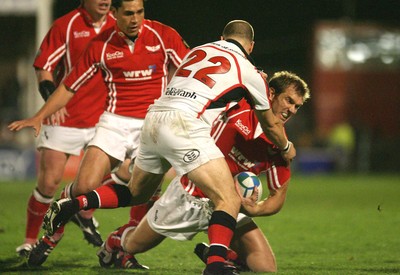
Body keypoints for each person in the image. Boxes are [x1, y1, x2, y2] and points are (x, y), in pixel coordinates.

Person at [42, 20, 296, 275]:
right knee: (228, 198)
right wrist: (286, 147)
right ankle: (216, 266)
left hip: (154, 117)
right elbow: (271, 125)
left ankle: (76, 203)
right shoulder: (247, 69)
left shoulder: (200, 50)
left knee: (137, 193)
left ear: (221, 37)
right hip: (183, 124)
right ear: (250, 47)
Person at [8, 0, 189, 267]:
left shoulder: (164, 36)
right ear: (115, 14)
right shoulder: (100, 45)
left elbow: (192, 68)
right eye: (128, 13)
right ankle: (55, 227)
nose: (136, 18)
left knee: (141, 190)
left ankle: (119, 249)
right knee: (84, 186)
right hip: (114, 122)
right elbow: (68, 87)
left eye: (140, 12)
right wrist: (40, 115)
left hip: (152, 125)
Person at [14, 0, 115, 258]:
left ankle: (84, 213)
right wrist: (50, 100)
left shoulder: (118, 24)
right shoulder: (66, 25)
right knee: (49, 182)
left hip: (103, 117)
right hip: (65, 116)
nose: (105, 1)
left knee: (108, 172)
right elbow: (44, 67)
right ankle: (28, 241)